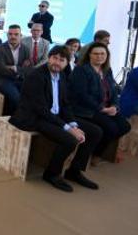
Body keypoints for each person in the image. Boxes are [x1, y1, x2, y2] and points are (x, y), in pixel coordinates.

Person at [9, 46, 102, 192]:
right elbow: (40, 109)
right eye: (54, 58)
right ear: (49, 57)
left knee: (95, 131)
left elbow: (65, 104)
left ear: (67, 63)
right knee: (70, 139)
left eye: (62, 60)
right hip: (34, 117)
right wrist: (68, 129)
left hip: (54, 116)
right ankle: (52, 174)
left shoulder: (63, 76)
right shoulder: (36, 76)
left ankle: (74, 171)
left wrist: (73, 124)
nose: (57, 62)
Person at [68, 42, 130, 164]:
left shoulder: (107, 70)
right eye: (95, 54)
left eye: (102, 54)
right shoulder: (81, 70)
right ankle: (96, 153)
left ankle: (99, 150)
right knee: (110, 127)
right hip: (85, 109)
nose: (99, 56)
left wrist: (115, 106)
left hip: (106, 108)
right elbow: (82, 95)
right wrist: (101, 108)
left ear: (107, 56)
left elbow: (113, 90)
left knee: (125, 126)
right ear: (89, 55)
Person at [0, 25, 32, 115]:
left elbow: (29, 68)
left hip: (19, 79)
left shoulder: (25, 49)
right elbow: (1, 69)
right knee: (16, 97)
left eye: (16, 34)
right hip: (1, 79)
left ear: (21, 36)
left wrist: (14, 68)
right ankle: (16, 119)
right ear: (7, 35)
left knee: (31, 94)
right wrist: (20, 69)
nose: (13, 36)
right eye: (10, 34)